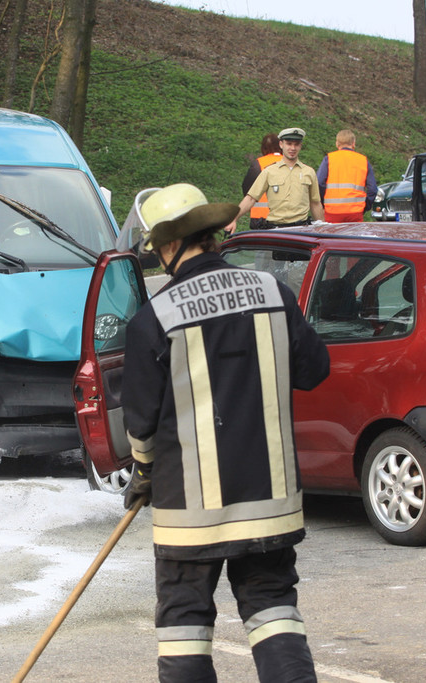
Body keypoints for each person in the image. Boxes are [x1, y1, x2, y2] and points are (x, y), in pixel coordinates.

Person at [121, 183, 330, 682]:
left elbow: (140, 424)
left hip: (189, 510)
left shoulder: (155, 318)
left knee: (184, 621)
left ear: (172, 245)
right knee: (272, 608)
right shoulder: (273, 292)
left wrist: (143, 473)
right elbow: (314, 370)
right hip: (269, 499)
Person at [225, 127, 325, 233]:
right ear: (281, 144)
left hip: (301, 230)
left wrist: (323, 229)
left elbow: (315, 203)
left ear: (300, 146)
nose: (293, 148)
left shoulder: (309, 172)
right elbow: (250, 198)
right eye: (289, 144)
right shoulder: (269, 171)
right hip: (276, 230)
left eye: (296, 144)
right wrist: (234, 219)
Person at [316, 129, 378, 223]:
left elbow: (319, 183)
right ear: (353, 143)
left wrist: (323, 204)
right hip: (355, 212)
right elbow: (372, 189)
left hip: (332, 211)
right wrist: (365, 207)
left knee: (332, 233)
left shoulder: (329, 159)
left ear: (337, 144)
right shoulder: (363, 160)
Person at [241, 133, 283, 230]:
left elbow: (247, 188)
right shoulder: (290, 163)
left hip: (260, 217)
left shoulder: (258, 164)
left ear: (263, 148)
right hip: (286, 218)